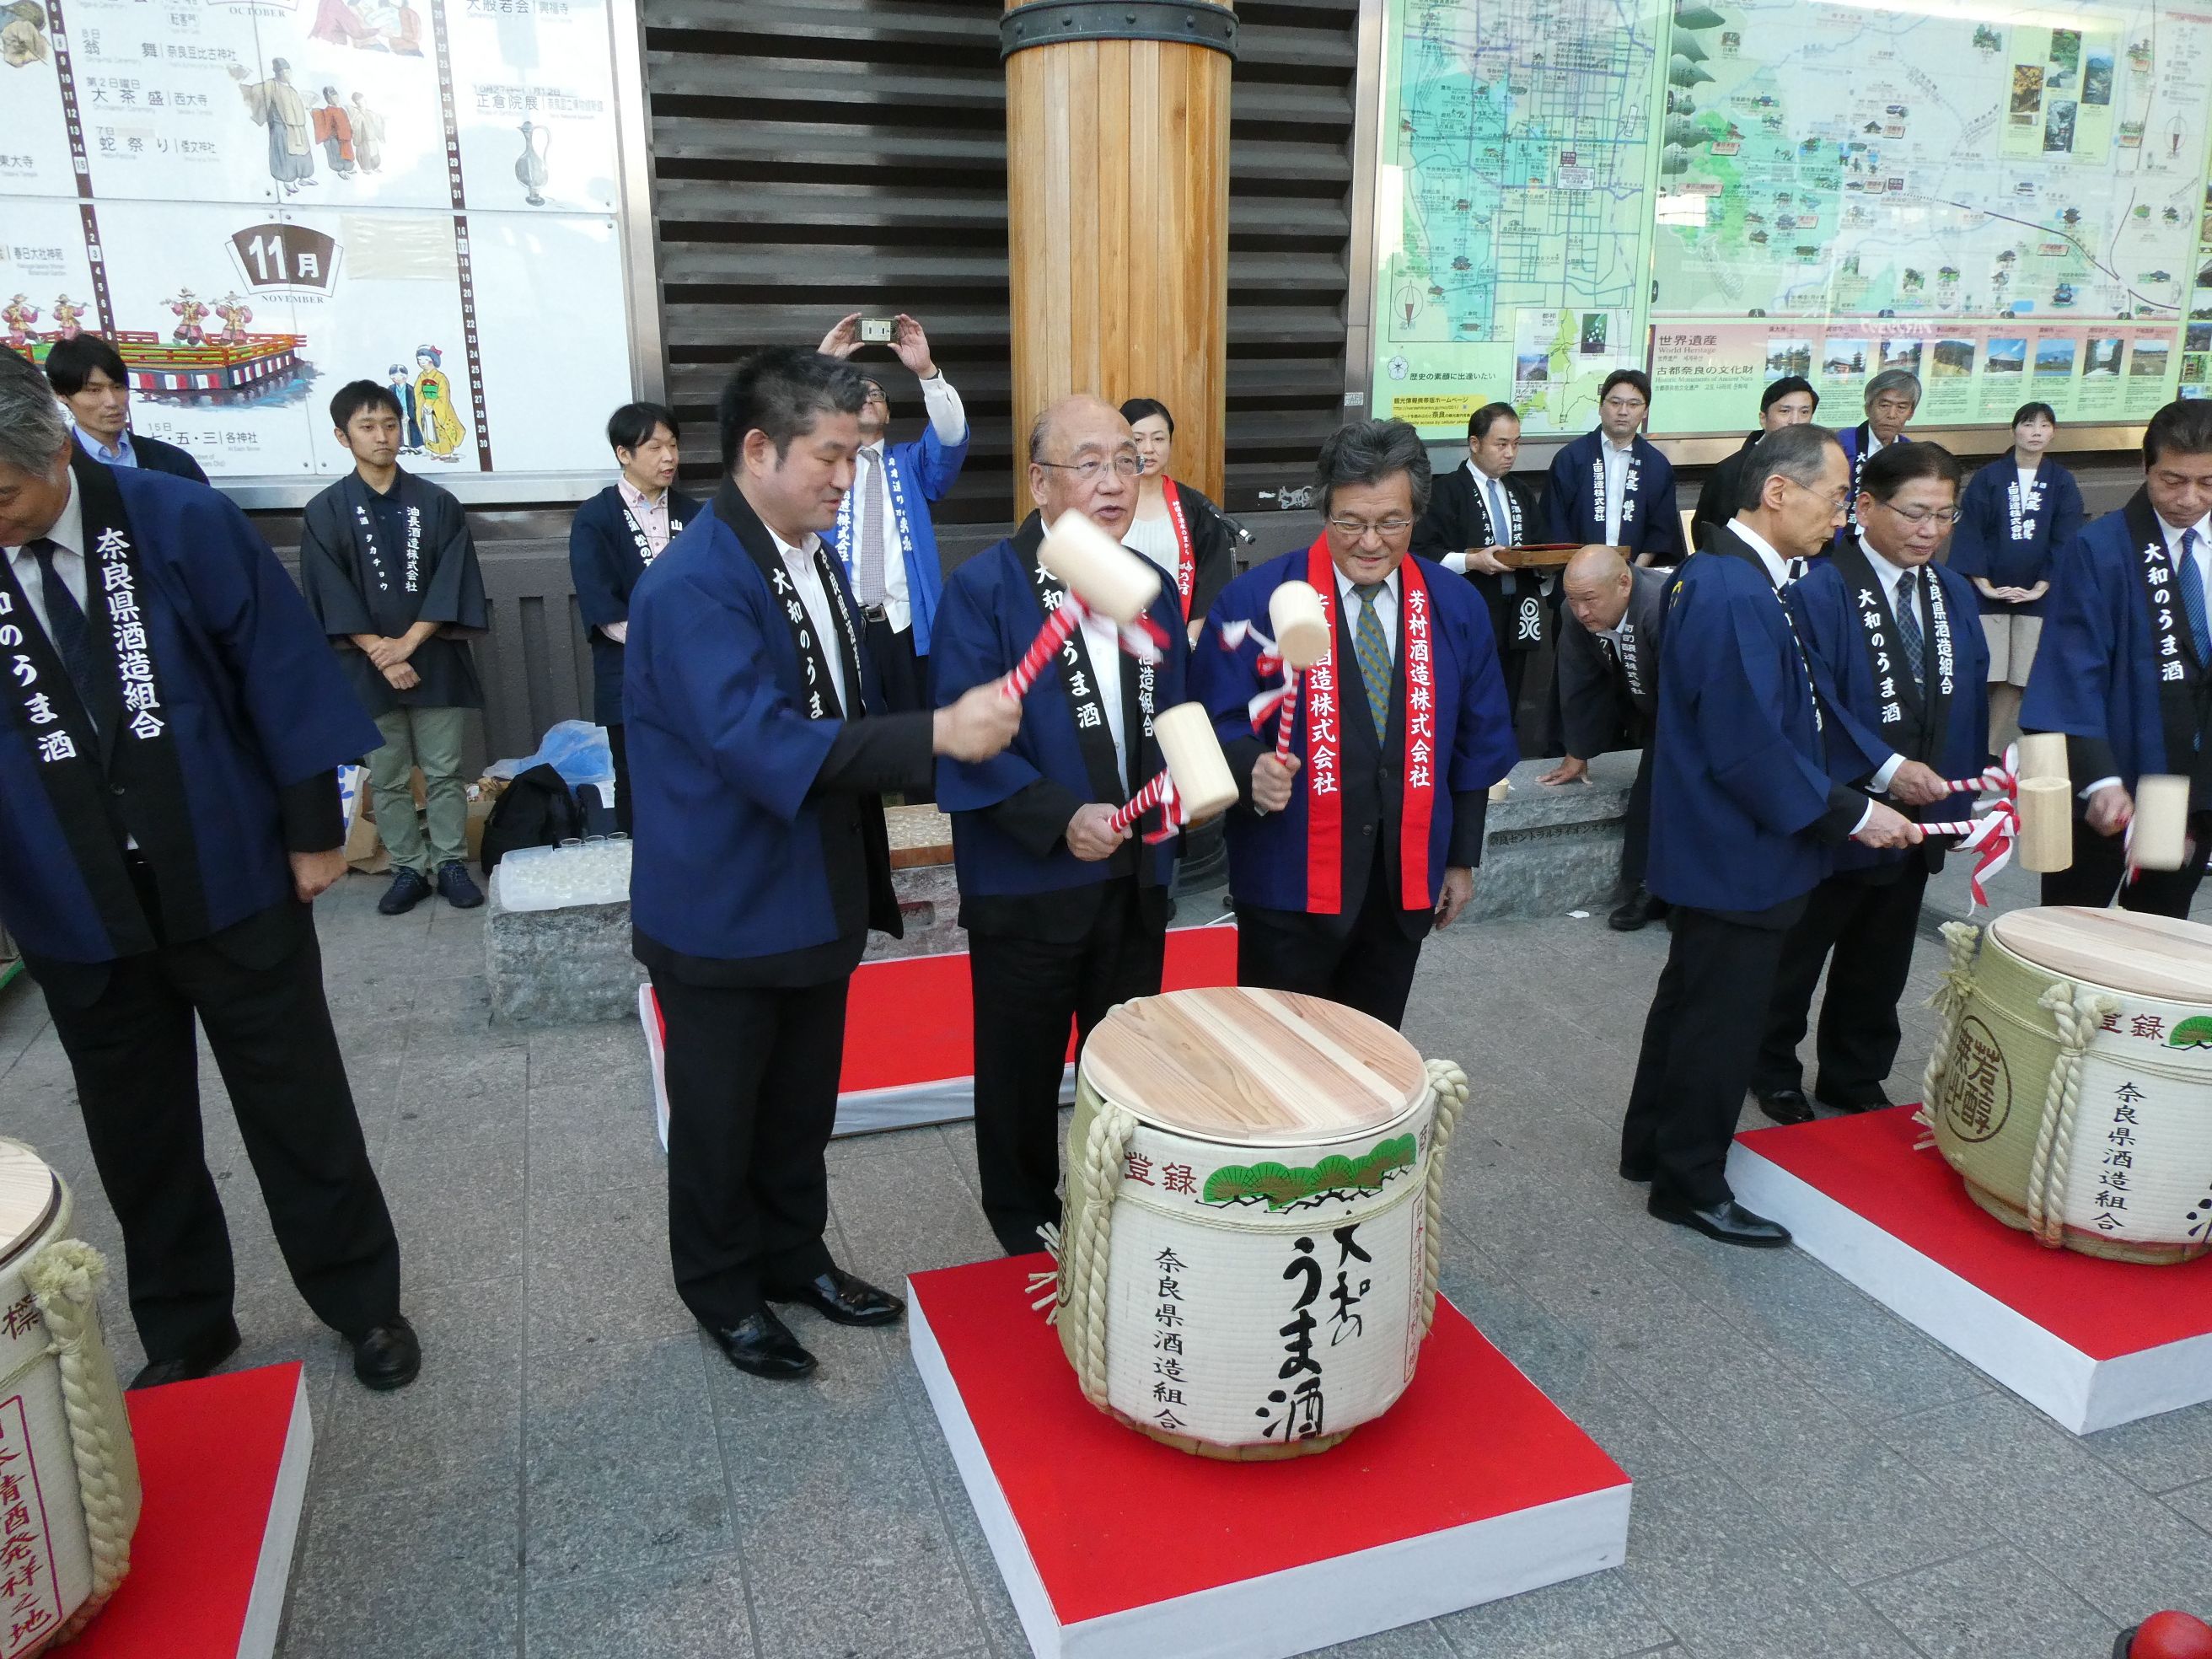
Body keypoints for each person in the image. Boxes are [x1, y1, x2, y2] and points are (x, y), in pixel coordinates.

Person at [0, 352, 417, 1393]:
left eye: (2, 495)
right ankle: (188, 1324)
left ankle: (362, 1303)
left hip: (229, 874)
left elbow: (277, 669)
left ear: (50, 448)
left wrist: (314, 831)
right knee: (136, 1130)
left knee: (297, 1103)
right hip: (73, 897)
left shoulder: (174, 519)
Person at [625, 346, 1019, 1380]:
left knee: (800, 1103)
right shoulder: (695, 585)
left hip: (813, 891)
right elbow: (761, 744)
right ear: (758, 450)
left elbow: (838, 708)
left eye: (856, 456)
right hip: (725, 902)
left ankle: (793, 1256)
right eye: (831, 457)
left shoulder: (812, 550)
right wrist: (934, 735)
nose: (848, 480)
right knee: (720, 1119)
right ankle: (721, 1289)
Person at [1620, 423, 1919, 1248]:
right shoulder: (1728, 590)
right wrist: (1856, 814)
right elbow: (1747, 744)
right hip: (1736, 852)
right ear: (1776, 492)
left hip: (1723, 846)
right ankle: (1689, 1182)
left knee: (1688, 1002)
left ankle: (1651, 1148)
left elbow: (1806, 712)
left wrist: (1883, 773)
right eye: (1830, 500)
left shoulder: (1749, 578)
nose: (1839, 519)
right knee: (1720, 1020)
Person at [932, 395, 1191, 1256]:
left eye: (1126, 459)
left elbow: (1177, 713)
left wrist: (1197, 778)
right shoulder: (983, 590)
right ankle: (1020, 1223)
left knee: (1125, 1062)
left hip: (1133, 877)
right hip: (1030, 879)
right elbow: (963, 740)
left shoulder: (1145, 587)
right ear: (1039, 482)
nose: (1114, 481)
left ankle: (1117, 1201)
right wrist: (1056, 817)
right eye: (1088, 463)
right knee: (1018, 1067)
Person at [1193, 419, 1517, 1028]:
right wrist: (1249, 766)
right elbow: (1215, 716)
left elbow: (1477, 742)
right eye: (1350, 522)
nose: (1371, 542)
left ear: (1417, 513)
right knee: (1280, 1063)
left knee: (1372, 1059)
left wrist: (1460, 858)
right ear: (1324, 510)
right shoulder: (1257, 601)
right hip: (1287, 881)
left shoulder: (1455, 606)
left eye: (1391, 522)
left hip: (1401, 881)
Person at [1753, 442, 1989, 1124]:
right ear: (1863, 507)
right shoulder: (1819, 589)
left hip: (1917, 821)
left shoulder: (1950, 591)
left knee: (1880, 961)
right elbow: (1813, 709)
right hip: (1841, 814)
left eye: (1944, 516)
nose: (1929, 531)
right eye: (1915, 513)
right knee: (1797, 958)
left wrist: (1960, 800)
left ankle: (1855, 1074)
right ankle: (1770, 1068)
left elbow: (1967, 701)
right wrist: (1874, 783)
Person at [298, 380, 488, 915]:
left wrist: (405, 645)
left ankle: (450, 861)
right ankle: (408, 867)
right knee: (387, 774)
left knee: (446, 768)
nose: (382, 436)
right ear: (342, 436)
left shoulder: (438, 503)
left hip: (435, 657)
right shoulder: (326, 510)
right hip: (364, 665)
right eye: (367, 427)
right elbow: (326, 590)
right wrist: (381, 651)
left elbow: (454, 579)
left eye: (389, 424)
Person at [2022, 398, 2212, 915]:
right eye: (2172, 480)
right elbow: (2071, 669)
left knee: (2157, 936)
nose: (2189, 499)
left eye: (2208, 483)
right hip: (2115, 776)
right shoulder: (2101, 548)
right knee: (2070, 932)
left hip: (2193, 783)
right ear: (2144, 467)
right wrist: (2100, 779)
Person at [815, 313, 968, 715]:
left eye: (878, 394)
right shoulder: (823, 464)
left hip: (904, 624)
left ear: (889, 416)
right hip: (841, 623)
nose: (868, 397)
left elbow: (951, 437)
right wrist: (821, 371)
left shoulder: (911, 463)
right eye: (857, 393)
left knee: (915, 728)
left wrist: (928, 373)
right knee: (851, 728)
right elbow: (789, 432)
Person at [567, 401, 701, 834]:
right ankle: (642, 872)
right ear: (624, 454)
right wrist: (663, 646)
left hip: (692, 674)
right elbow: (601, 604)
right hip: (629, 670)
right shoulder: (596, 517)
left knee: (697, 771)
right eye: (656, 447)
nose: (669, 457)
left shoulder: (694, 514)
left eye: (674, 445)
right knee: (635, 776)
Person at [1539, 545, 1670, 931]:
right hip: (1644, 702)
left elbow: (1689, 691)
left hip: (1693, 711)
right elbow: (1580, 681)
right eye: (1573, 599)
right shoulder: (1575, 614)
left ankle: (1672, 891)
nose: (1581, 611)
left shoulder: (1661, 606)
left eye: (1590, 600)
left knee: (1663, 785)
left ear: (1624, 583)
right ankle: (1649, 888)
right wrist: (1577, 751)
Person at [1949, 401, 2086, 755]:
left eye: (2044, 425)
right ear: (2014, 430)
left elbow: (2066, 534)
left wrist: (2042, 585)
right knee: (1986, 672)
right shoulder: (1990, 477)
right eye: (2028, 424)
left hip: (2038, 595)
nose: (2036, 432)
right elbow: (1972, 530)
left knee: (2018, 677)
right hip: (1987, 590)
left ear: (2054, 432)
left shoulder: (2061, 481)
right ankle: (1966, 745)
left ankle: (1991, 750)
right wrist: (1983, 584)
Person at [1412, 400, 1550, 743]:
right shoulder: (1446, 491)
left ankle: (1503, 759)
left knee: (1510, 692)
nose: (1510, 454)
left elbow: (1540, 545)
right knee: (1466, 693)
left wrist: (1550, 568)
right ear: (1475, 444)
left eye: (1516, 444)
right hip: (1469, 609)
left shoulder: (1520, 492)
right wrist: (1470, 561)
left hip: (1518, 610)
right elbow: (1420, 551)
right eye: (1501, 444)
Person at [1544, 369, 1688, 566]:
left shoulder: (1657, 465)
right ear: (1601, 406)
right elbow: (1554, 523)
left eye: (1633, 404)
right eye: (1615, 402)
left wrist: (1634, 574)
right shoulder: (1571, 458)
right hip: (1574, 574)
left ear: (1645, 411)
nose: (1623, 411)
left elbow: (1661, 532)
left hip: (1633, 577)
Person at [1120, 396, 1234, 642]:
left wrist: (1189, 643)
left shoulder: (1194, 507)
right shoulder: (1105, 501)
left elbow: (1212, 581)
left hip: (1178, 641)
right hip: (1116, 640)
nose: (1148, 448)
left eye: (1159, 438)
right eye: (1138, 439)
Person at [42, 334, 209, 484]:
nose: (112, 401)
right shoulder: (52, 470)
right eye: (94, 390)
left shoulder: (173, 463)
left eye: (118, 387)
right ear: (61, 394)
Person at [1688, 376, 1818, 550]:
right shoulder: (1731, 470)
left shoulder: (1818, 467)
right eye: (1785, 411)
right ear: (1763, 418)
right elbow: (1709, 533)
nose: (1795, 421)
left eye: (1804, 412)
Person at [1834, 368, 1921, 549]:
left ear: (1911, 413)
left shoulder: (1909, 453)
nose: (1891, 414)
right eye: (1884, 405)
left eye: (1901, 407)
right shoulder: (1842, 443)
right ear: (1868, 408)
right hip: (1838, 542)